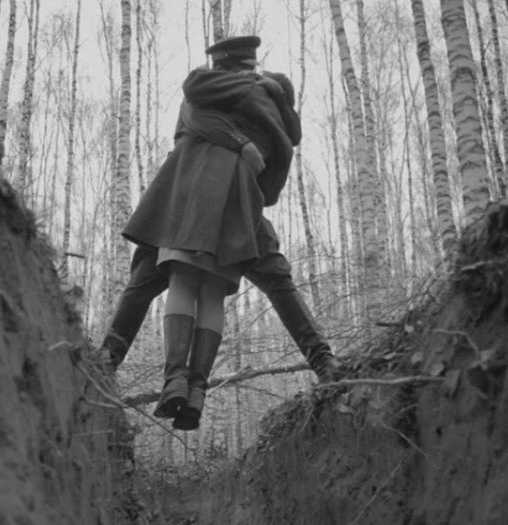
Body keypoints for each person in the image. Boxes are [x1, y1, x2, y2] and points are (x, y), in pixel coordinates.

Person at [108, 37, 339, 430]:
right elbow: (279, 151)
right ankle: (322, 362)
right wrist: (249, 161)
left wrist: (229, 145)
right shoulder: (269, 101)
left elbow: (194, 120)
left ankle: (113, 364)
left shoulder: (203, 92)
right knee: (272, 279)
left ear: (221, 65)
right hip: (240, 202)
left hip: (186, 197)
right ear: (250, 65)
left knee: (146, 278)